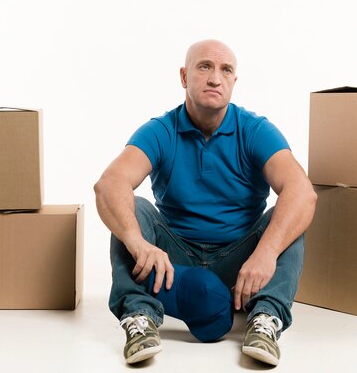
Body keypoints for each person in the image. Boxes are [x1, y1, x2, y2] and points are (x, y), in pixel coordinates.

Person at [94, 39, 316, 366]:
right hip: (173, 258)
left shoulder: (255, 130)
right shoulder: (160, 130)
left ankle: (265, 319)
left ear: (234, 82)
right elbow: (109, 184)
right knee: (131, 209)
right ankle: (139, 318)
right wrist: (138, 244)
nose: (215, 78)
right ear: (184, 77)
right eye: (205, 67)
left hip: (242, 261)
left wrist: (266, 252)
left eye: (226, 70)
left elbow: (302, 192)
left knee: (287, 221)